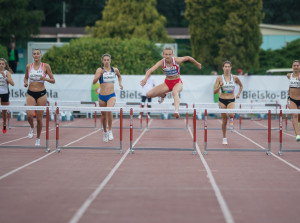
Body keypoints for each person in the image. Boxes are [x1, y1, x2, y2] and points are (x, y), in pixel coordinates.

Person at [141, 47, 201, 118]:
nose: (168, 56)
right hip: (167, 83)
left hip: (177, 82)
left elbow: (188, 58)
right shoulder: (161, 62)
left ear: (172, 55)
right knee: (148, 94)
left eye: (169, 54)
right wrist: (145, 79)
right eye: (166, 54)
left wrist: (197, 63)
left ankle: (176, 111)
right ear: (163, 55)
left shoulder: (176, 60)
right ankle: (163, 95)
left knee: (174, 92)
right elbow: (149, 70)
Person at [24, 49, 55, 146]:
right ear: (32, 56)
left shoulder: (45, 66)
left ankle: (37, 138)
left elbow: (53, 80)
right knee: (29, 115)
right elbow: (25, 77)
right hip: (30, 93)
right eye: (34, 54)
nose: (36, 55)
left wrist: (45, 78)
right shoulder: (29, 66)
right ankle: (32, 127)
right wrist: (25, 82)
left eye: (38, 54)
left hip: (41, 94)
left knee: (39, 118)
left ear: (41, 55)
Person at [92, 54, 123, 142]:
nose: (106, 61)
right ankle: (105, 132)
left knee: (109, 110)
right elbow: (94, 82)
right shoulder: (99, 70)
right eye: (104, 60)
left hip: (111, 95)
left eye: (107, 60)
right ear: (102, 61)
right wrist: (99, 75)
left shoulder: (114, 70)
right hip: (102, 96)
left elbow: (119, 76)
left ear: (110, 60)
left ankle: (110, 130)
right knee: (103, 115)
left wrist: (120, 83)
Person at [214, 61, 243, 145]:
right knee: (224, 120)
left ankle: (232, 118)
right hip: (222, 100)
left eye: (228, 67)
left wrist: (238, 94)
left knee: (231, 114)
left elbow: (241, 86)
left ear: (231, 68)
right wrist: (220, 86)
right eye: (225, 67)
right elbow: (214, 92)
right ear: (223, 68)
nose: (227, 68)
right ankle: (224, 138)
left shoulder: (235, 78)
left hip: (231, 99)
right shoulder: (219, 78)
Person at [286, 60, 300, 141]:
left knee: (299, 118)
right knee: (295, 115)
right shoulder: (288, 75)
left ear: (299, 67)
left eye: (297, 65)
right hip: (292, 100)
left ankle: (298, 123)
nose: (296, 67)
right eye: (294, 65)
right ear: (292, 67)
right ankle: (298, 135)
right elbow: (290, 85)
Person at [0, 58, 14, 133]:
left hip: (5, 93)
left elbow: (12, 83)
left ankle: (4, 124)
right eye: (0, 63)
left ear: (5, 65)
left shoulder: (6, 72)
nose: (1, 65)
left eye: (2, 64)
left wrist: (4, 77)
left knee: (4, 111)